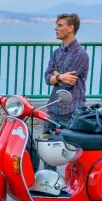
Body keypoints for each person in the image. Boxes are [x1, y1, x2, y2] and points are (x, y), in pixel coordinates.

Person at [37, 13, 90, 170]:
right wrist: (59, 76)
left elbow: (68, 82)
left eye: (60, 25)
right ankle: (49, 184)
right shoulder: (56, 52)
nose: (56, 28)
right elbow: (47, 78)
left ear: (71, 28)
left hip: (72, 111)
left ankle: (74, 187)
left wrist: (56, 75)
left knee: (75, 156)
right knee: (48, 153)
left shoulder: (81, 54)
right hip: (53, 109)